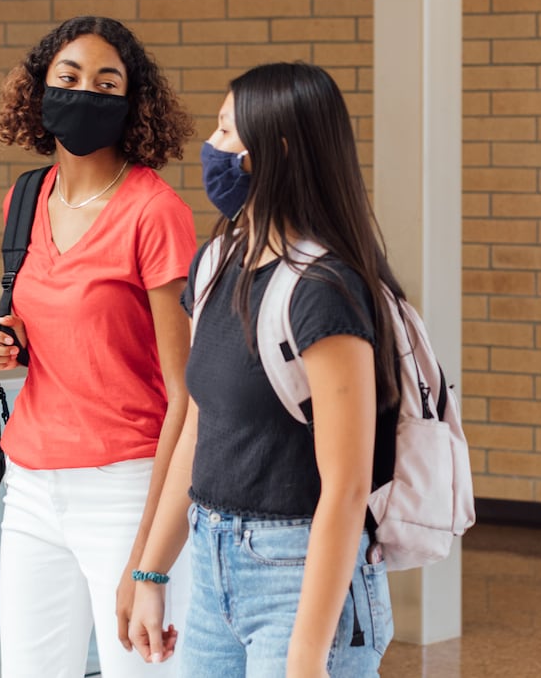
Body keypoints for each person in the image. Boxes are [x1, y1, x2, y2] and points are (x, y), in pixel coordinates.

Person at [126, 62, 399, 676]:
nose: (211, 149)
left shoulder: (325, 290)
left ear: (272, 152)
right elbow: (200, 430)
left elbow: (347, 488)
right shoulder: (218, 262)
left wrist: (306, 655)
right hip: (214, 563)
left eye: (227, 133)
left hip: (298, 577)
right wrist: (152, 569)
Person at [0, 15, 196, 677]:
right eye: (68, 79)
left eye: (107, 82)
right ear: (39, 93)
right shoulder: (25, 197)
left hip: (127, 485)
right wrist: (2, 341)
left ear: (133, 104)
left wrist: (150, 553)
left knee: (142, 669)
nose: (86, 92)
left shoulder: (154, 212)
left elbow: (186, 393)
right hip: (34, 487)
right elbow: (40, 321)